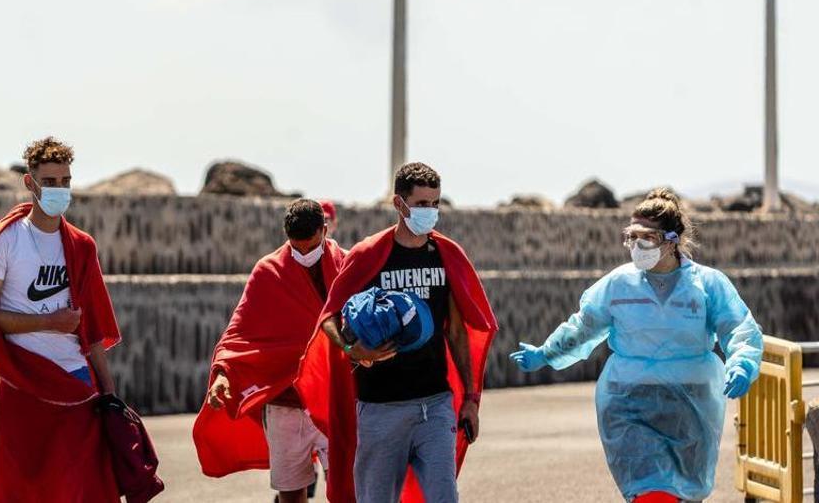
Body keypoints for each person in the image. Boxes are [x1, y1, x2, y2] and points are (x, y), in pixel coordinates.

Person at [510, 188, 763, 502]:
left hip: (690, 402)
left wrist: (742, 363)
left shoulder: (707, 285)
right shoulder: (618, 284)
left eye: (648, 237)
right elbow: (584, 326)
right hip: (628, 399)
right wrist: (547, 353)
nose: (637, 245)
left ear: (672, 240)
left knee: (681, 489)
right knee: (647, 486)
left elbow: (738, 327)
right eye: (631, 236)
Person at [295, 162, 498, 503]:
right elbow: (329, 316)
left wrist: (471, 400)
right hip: (380, 409)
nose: (430, 212)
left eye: (435, 203)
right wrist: (353, 349)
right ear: (399, 204)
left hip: (435, 405)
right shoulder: (370, 254)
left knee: (444, 497)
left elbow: (459, 333)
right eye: (421, 204)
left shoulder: (445, 255)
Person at [0, 137, 124, 502]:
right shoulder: (8, 240)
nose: (60, 190)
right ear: (31, 183)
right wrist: (48, 323)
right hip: (19, 381)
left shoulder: (81, 246)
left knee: (82, 489)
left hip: (75, 383)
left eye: (66, 182)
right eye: (52, 182)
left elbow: (91, 331)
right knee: (23, 489)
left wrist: (109, 395)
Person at [193, 199, 344, 502]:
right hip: (284, 403)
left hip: (334, 399)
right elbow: (239, 331)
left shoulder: (347, 265)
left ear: (324, 230)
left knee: (347, 490)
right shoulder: (268, 271)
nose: (303, 253)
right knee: (290, 495)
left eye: (310, 245)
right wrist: (223, 376)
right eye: (296, 247)